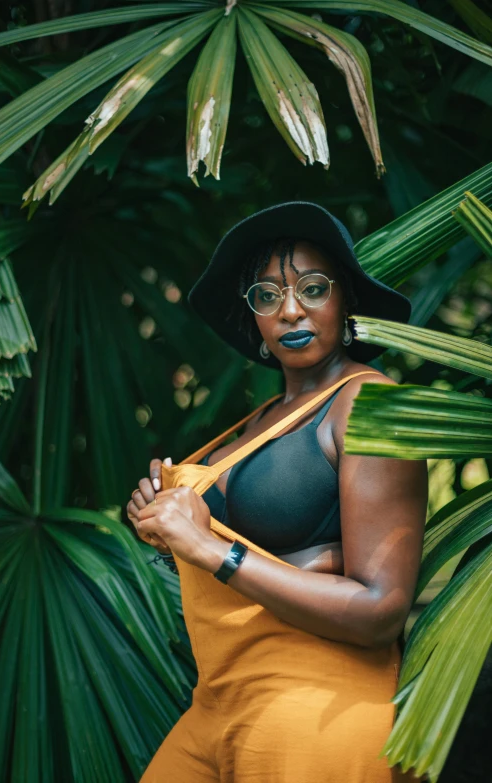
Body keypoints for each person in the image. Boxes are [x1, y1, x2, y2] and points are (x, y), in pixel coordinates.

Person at [127, 202, 429, 782]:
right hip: (216, 701)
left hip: (315, 704)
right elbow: (237, 555)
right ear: (256, 321)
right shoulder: (260, 418)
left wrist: (212, 549)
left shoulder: (369, 403)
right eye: (267, 296)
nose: (291, 309)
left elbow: (378, 610)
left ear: (347, 302)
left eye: (313, 288)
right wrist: (168, 531)